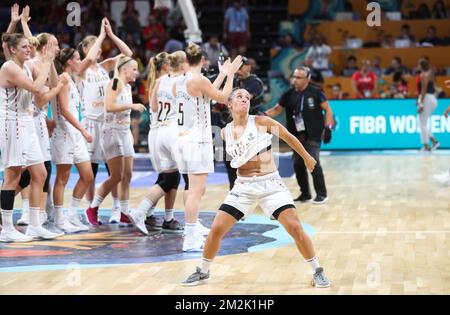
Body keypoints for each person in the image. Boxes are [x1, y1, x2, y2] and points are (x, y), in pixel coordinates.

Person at [182, 89, 331, 288]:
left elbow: (288, 137)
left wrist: (307, 157)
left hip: (270, 185)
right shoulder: (225, 132)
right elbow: (226, 161)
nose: (244, 99)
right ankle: (203, 271)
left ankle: (317, 270)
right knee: (216, 228)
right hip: (243, 188)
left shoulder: (261, 122)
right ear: (229, 104)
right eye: (239, 97)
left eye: (247, 97)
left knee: (295, 227)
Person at [175, 43, 242, 252]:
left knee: (195, 189)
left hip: (183, 138)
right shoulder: (199, 80)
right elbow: (223, 98)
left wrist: (221, 75)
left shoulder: (179, 81)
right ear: (203, 61)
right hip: (197, 140)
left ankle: (191, 229)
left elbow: (207, 95)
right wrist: (230, 75)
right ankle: (190, 237)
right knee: (196, 191)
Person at [0, 32, 59, 242]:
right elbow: (36, 88)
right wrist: (48, 61)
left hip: (26, 122)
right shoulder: (9, 67)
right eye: (24, 47)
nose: (29, 49)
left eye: (29, 46)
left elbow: (50, 83)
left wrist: (48, 62)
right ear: (13, 50)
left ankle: (35, 225)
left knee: (40, 173)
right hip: (12, 123)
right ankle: (6, 228)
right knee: (13, 176)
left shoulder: (25, 66)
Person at [77, 18, 133, 225]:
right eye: (93, 47)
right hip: (91, 122)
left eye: (99, 47)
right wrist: (100, 36)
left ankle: (117, 209)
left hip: (108, 122)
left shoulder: (104, 68)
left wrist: (110, 35)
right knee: (90, 171)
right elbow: (90, 57)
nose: (98, 50)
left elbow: (128, 55)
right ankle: (90, 207)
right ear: (84, 49)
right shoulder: (80, 71)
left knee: (114, 171)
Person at [129, 51, 188, 235]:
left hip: (158, 131)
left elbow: (153, 107)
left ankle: (161, 216)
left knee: (169, 177)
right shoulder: (175, 81)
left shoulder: (157, 81)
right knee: (172, 178)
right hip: (170, 130)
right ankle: (142, 211)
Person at [84, 55, 145, 226]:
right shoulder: (115, 83)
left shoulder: (126, 86)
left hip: (124, 131)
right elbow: (109, 106)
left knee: (127, 175)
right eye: (134, 69)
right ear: (124, 69)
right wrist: (131, 106)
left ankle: (124, 211)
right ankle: (92, 208)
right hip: (111, 132)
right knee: (116, 176)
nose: (137, 72)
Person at [265, 67, 334, 204]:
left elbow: (328, 110)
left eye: (299, 77)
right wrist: (262, 116)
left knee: (313, 161)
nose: (295, 80)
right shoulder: (288, 94)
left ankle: (322, 194)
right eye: (294, 77)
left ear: (307, 79)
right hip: (296, 136)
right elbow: (277, 109)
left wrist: (328, 128)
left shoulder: (316, 92)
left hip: (313, 134)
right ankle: (305, 194)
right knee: (298, 165)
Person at [417, 58, 440, 152]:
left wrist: (421, 103)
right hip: (432, 98)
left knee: (422, 123)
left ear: (421, 66)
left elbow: (423, 90)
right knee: (422, 123)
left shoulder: (423, 75)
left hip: (426, 98)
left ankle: (426, 145)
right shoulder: (430, 74)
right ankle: (433, 142)